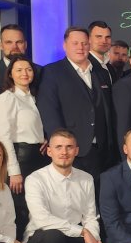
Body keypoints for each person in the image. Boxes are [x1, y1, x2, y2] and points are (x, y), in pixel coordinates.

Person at [23, 129, 119, 243]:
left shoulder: (86, 179)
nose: (64, 152)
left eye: (69, 147)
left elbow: (90, 216)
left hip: (72, 238)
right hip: (41, 239)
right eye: (58, 147)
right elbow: (42, 219)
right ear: (49, 151)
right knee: (53, 236)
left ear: (76, 150)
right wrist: (83, 232)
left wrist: (93, 241)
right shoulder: (35, 179)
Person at [37, 26, 115, 178]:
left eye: (84, 43)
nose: (80, 47)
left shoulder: (101, 72)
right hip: (72, 150)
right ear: (65, 45)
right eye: (75, 43)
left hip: (102, 150)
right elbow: (49, 111)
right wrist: (61, 147)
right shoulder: (52, 72)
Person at [0, 56, 46, 239]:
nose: (25, 73)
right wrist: (14, 171)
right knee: (20, 209)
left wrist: (44, 139)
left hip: (39, 157)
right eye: (19, 70)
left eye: (29, 69)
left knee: (37, 206)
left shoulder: (34, 97)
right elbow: (4, 137)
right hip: (20, 158)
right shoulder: (6, 98)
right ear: (10, 74)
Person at [0, 24, 42, 92]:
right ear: (1, 45)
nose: (14, 47)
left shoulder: (40, 71)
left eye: (19, 42)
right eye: (9, 42)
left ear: (25, 45)